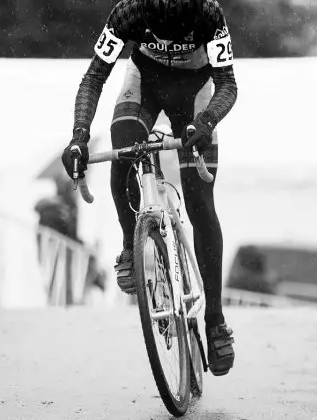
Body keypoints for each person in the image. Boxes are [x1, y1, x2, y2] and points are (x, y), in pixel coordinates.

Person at [59, 0, 237, 376]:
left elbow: (227, 84)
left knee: (201, 204)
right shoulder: (128, 11)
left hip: (197, 95)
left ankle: (215, 321)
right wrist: (78, 137)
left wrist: (206, 122)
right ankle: (131, 245)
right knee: (123, 147)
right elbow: (94, 76)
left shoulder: (208, 11)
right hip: (146, 85)